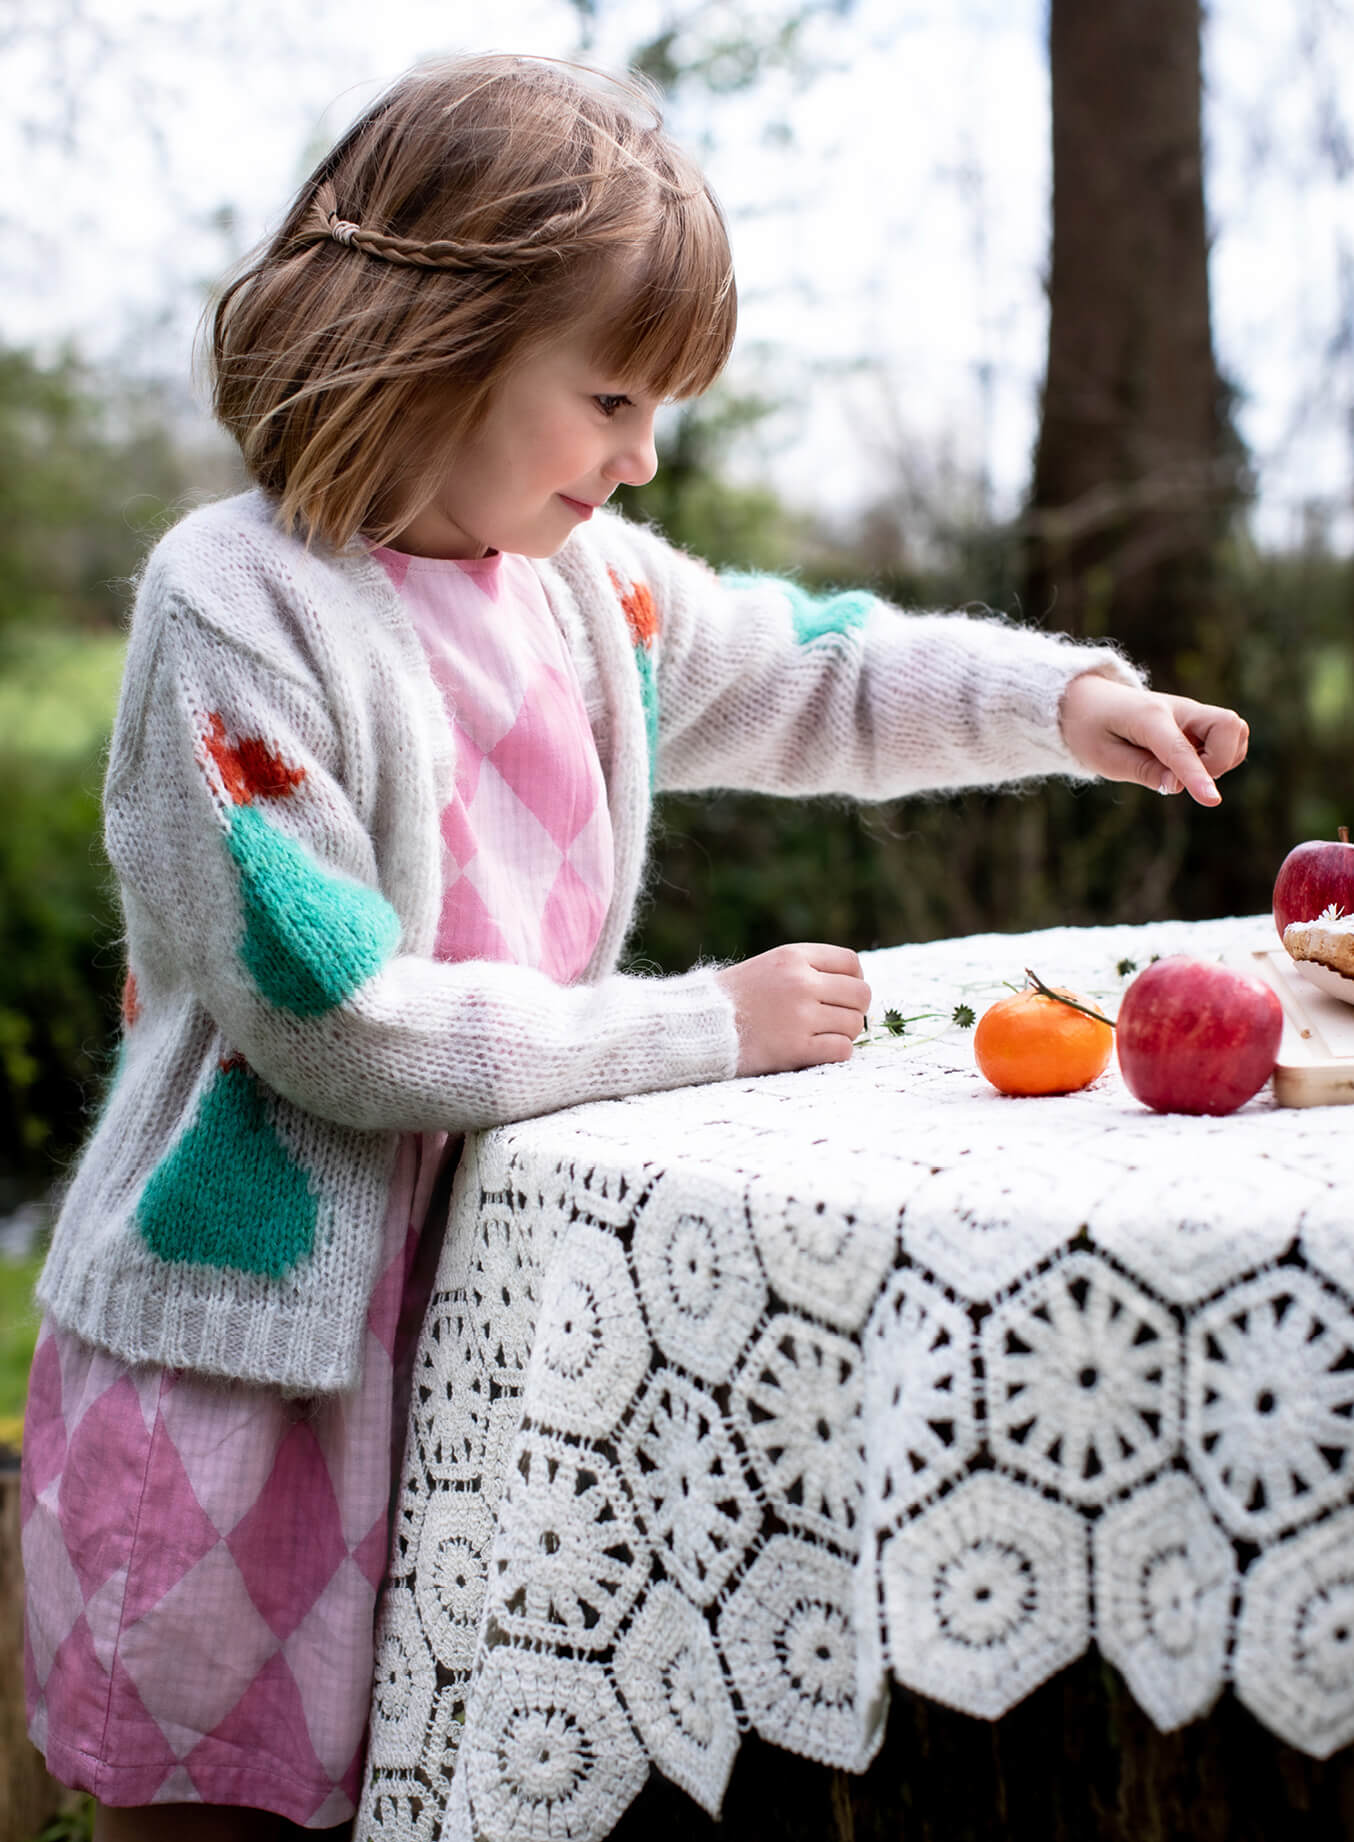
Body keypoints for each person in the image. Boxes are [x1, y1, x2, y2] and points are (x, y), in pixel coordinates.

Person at [20, 51, 1249, 1842]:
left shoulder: (591, 593)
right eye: (608, 393)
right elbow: (333, 1013)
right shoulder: (238, 607)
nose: (644, 451)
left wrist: (1057, 697)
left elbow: (820, 660)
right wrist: (703, 1027)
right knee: (223, 1810)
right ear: (423, 340)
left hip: (488, 1311)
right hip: (256, 1357)